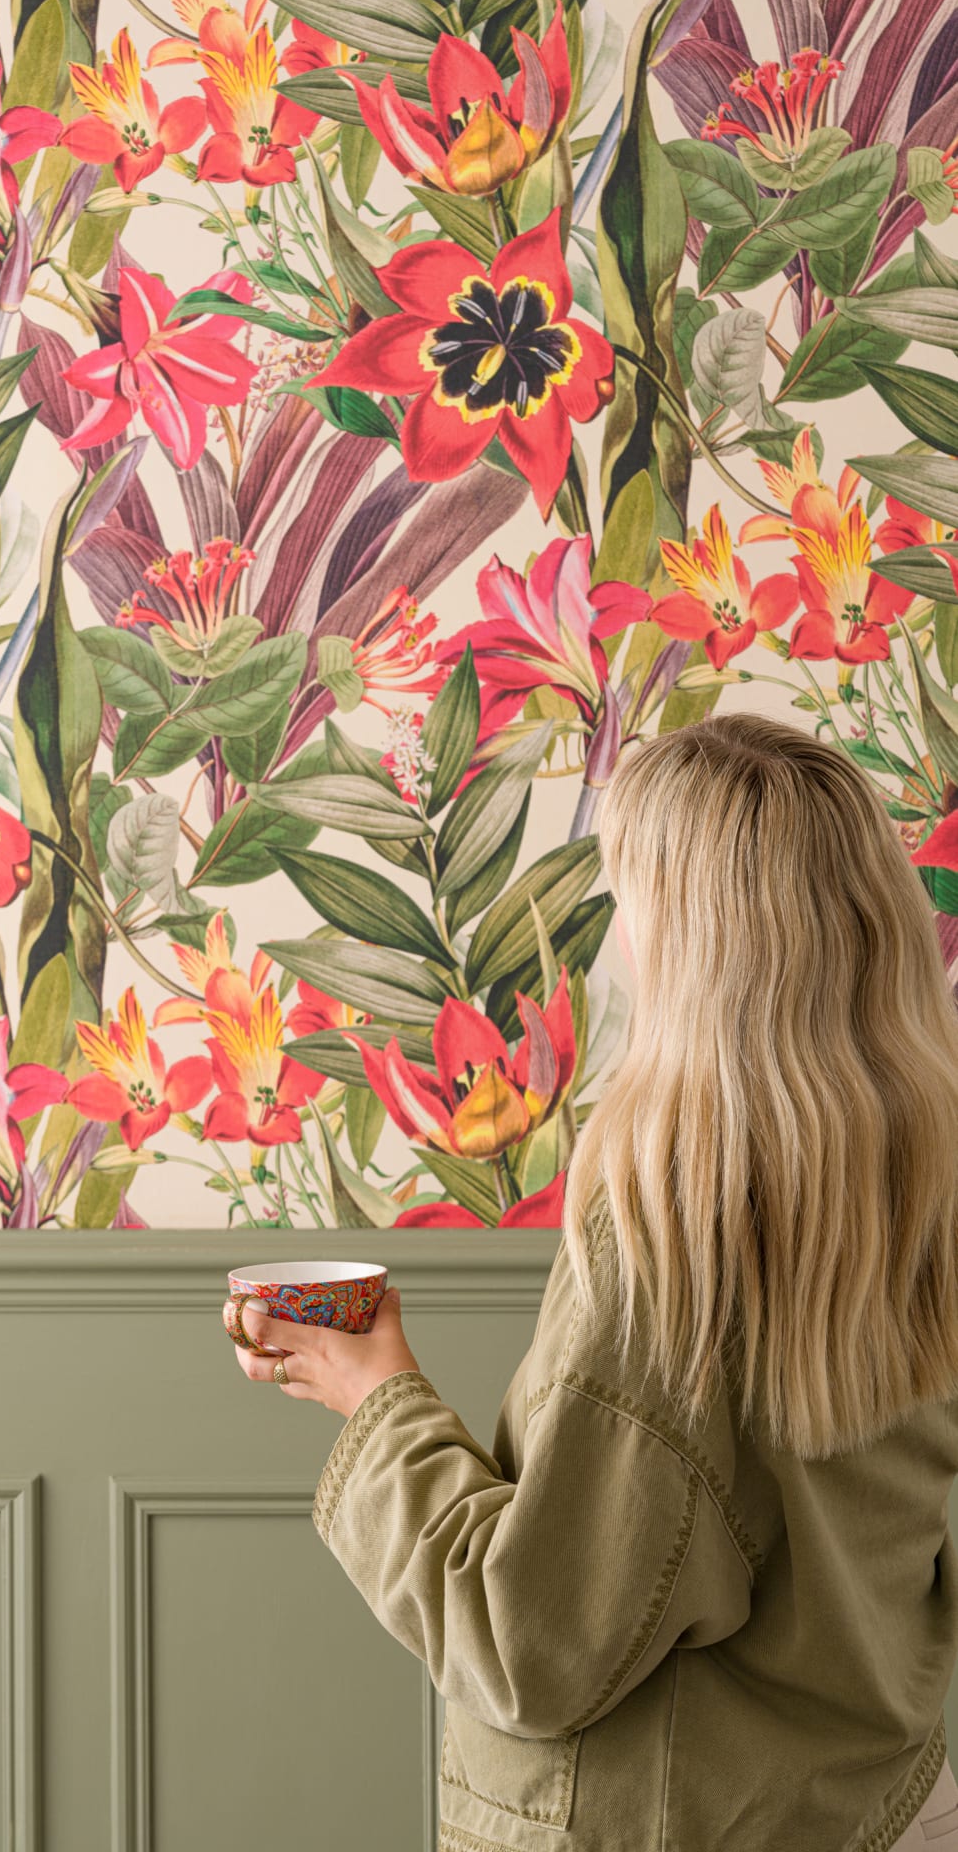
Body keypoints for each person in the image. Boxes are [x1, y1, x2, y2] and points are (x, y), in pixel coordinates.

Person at [233, 711, 958, 1849]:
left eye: (628, 906)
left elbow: (530, 1646)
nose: (616, 947)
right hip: (881, 1803)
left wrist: (375, 1395)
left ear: (689, 947)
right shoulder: (924, 1183)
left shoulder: (673, 1236)